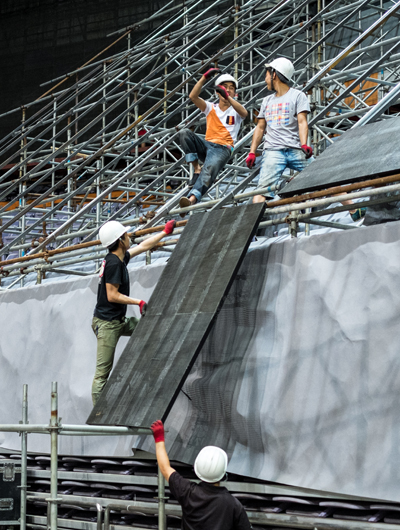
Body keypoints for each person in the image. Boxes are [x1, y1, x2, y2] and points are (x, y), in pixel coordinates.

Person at [247, 57, 365, 221]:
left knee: (323, 177)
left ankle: (354, 209)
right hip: (273, 152)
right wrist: (252, 152)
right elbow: (260, 127)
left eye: (267, 74)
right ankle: (248, 230)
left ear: (274, 74)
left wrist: (304, 143)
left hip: (296, 149)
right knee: (261, 192)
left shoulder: (298, 96)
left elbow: (303, 122)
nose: (265, 78)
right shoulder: (266, 101)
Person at [91, 219, 175, 405]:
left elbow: (144, 246)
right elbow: (112, 295)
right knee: (102, 374)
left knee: (150, 326)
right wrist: (138, 301)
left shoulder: (119, 258)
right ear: (120, 240)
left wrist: (164, 232)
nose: (129, 237)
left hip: (118, 320)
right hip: (107, 325)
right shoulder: (113, 263)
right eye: (126, 235)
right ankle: (98, 413)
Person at [151, 420, 252, 530]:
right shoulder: (233, 504)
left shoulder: (187, 492)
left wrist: (159, 439)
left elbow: (165, 468)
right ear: (223, 473)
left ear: (197, 469)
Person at [179, 68, 248, 213]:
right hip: (207, 145)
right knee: (185, 133)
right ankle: (196, 168)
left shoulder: (236, 109)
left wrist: (228, 98)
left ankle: (191, 199)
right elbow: (193, 96)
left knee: (209, 171)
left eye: (231, 88)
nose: (228, 90)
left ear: (235, 93)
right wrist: (204, 77)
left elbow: (244, 113)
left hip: (223, 149)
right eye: (225, 88)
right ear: (218, 92)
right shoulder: (211, 107)